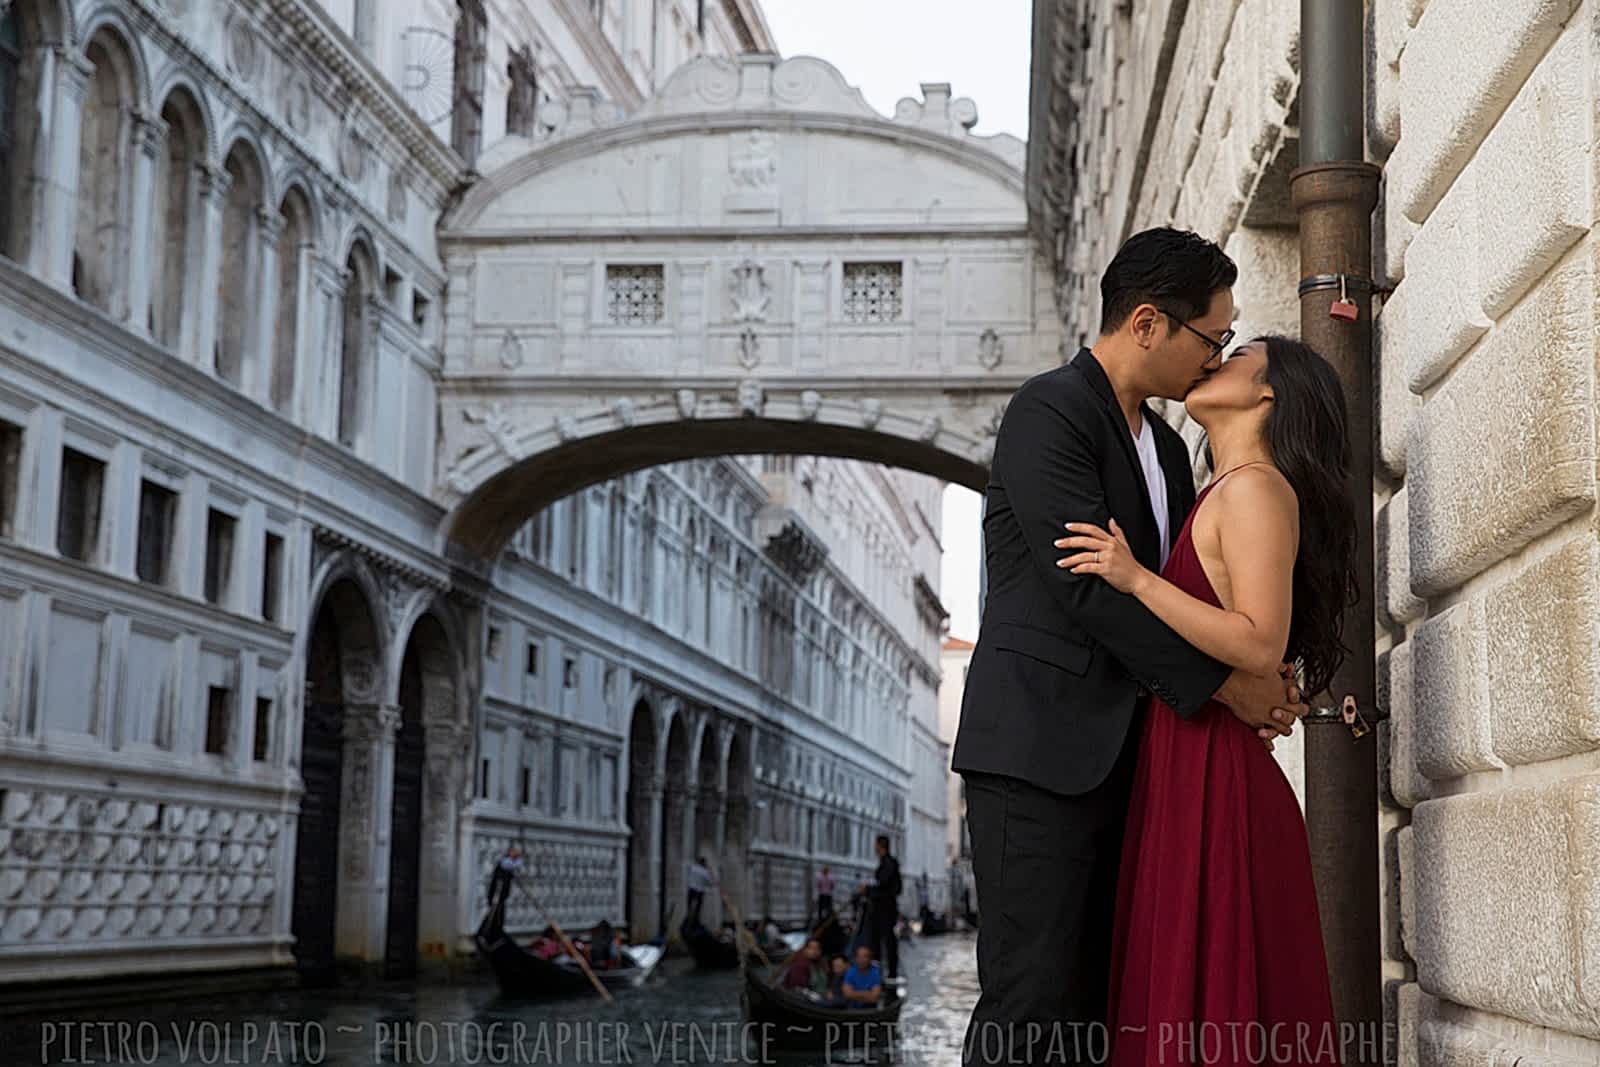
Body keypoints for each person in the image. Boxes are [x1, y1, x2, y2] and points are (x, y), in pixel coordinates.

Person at [950, 227, 1308, 1066]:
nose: (1214, 357)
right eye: (1209, 337)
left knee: (1097, 1012)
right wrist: (1227, 685)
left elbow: (1179, 598)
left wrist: (1265, 664)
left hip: (1130, 762)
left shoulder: (1171, 456)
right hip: (1036, 756)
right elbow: (1085, 588)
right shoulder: (1050, 411)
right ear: (1148, 323)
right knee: (1030, 1001)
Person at [1053, 335, 1352, 1063]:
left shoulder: (1256, 486)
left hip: (1218, 777)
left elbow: (1257, 640)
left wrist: (1135, 577)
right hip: (1192, 764)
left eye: (1239, 352)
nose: (1217, 358)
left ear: (1267, 393)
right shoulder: (1226, 488)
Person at [864, 835, 901, 979]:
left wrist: (868, 889)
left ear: (880, 846)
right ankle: (884, 971)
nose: (874, 848)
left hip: (884, 908)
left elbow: (883, 883)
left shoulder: (888, 864)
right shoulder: (888, 863)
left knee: (884, 939)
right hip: (885, 907)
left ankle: (887, 972)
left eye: (876, 845)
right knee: (884, 939)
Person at [841, 945, 883, 1009]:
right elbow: (847, 994)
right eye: (859, 956)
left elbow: (875, 997)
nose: (861, 960)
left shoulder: (876, 972)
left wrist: (854, 994)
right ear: (855, 958)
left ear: (870, 959)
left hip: (870, 1010)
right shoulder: (851, 971)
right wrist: (867, 993)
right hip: (852, 1009)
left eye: (865, 956)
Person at [685, 856, 715, 928]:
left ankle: (688, 918)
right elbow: (710, 882)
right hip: (699, 891)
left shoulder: (693, 868)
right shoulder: (704, 872)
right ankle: (695, 921)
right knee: (698, 908)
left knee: (689, 906)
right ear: (704, 863)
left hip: (691, 889)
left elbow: (688, 870)